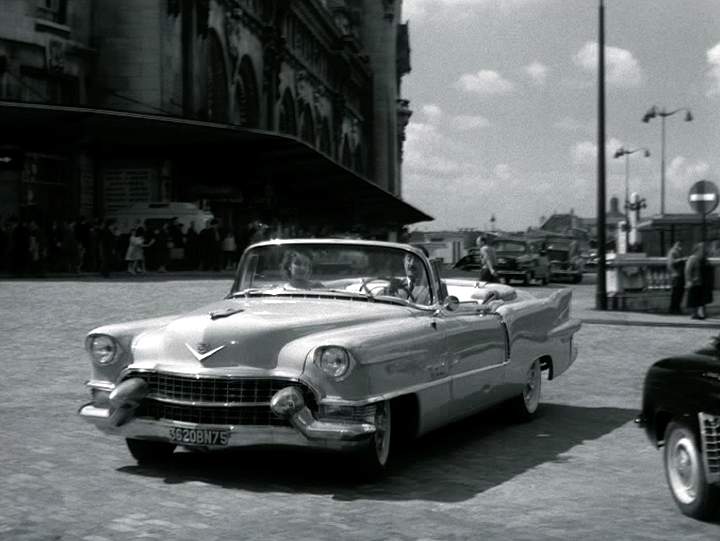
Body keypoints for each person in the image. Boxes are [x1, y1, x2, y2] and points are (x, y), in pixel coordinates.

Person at [685, 242, 707, 320]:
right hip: (694, 282)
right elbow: (688, 270)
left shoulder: (700, 258)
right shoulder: (692, 258)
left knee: (698, 298)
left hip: (699, 282)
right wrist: (689, 280)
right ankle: (693, 314)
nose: (702, 251)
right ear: (696, 250)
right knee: (693, 298)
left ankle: (696, 313)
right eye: (701, 249)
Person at [667, 242, 685, 314]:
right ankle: (673, 308)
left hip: (681, 275)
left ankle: (677, 308)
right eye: (679, 246)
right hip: (676, 275)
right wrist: (681, 260)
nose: (680, 248)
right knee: (675, 293)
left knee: (680, 293)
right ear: (675, 246)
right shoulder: (672, 252)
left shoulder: (680, 252)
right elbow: (671, 263)